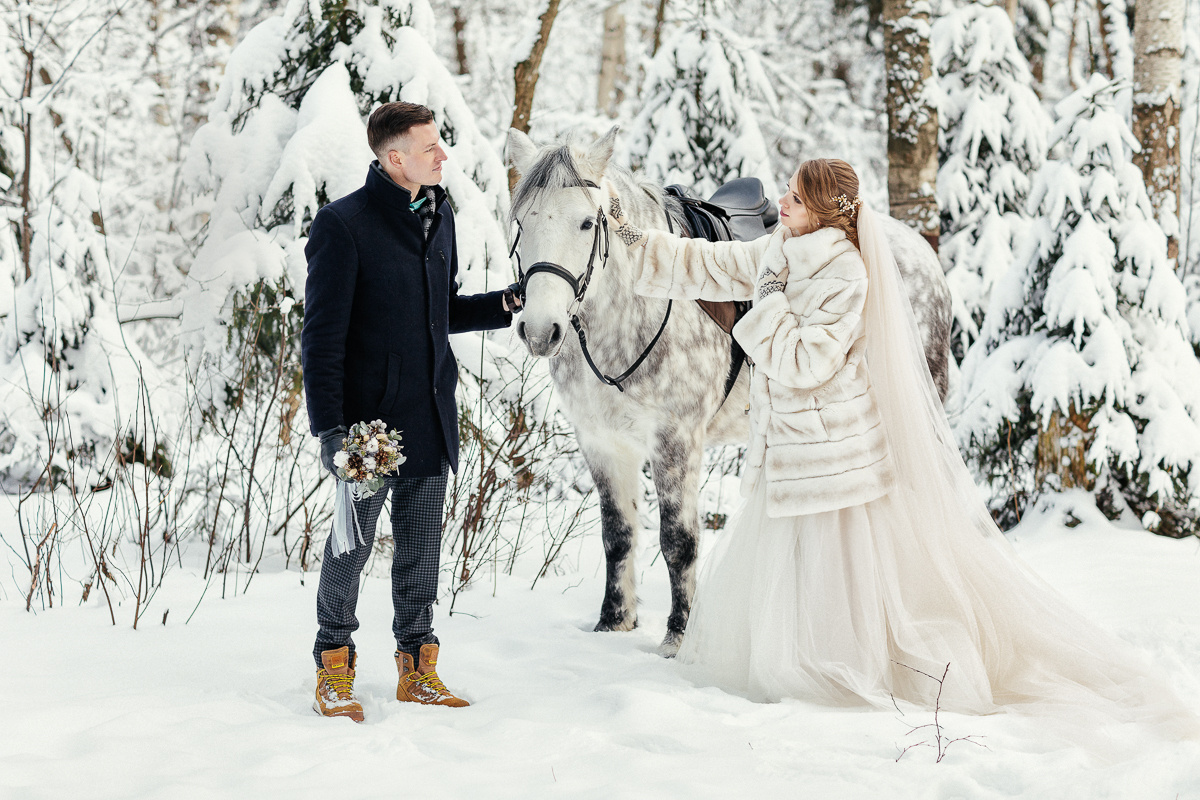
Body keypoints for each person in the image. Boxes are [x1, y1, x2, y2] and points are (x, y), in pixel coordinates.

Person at [609, 158, 1196, 740]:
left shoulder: (845, 275)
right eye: (786, 191)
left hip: (831, 457)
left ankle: (841, 669)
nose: (780, 201)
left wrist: (765, 304)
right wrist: (629, 234)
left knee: (835, 570)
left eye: (794, 197)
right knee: (788, 569)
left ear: (825, 214)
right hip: (789, 454)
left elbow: (804, 362)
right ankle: (793, 659)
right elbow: (704, 264)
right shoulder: (780, 250)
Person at [301, 101, 520, 722]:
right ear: (393, 157)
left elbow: (438, 312)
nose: (442, 155)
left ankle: (417, 667)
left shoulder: (437, 212)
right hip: (367, 428)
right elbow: (321, 337)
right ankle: (334, 666)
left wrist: (505, 303)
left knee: (422, 550)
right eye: (430, 148)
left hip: (428, 413)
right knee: (350, 547)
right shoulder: (344, 225)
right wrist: (332, 429)